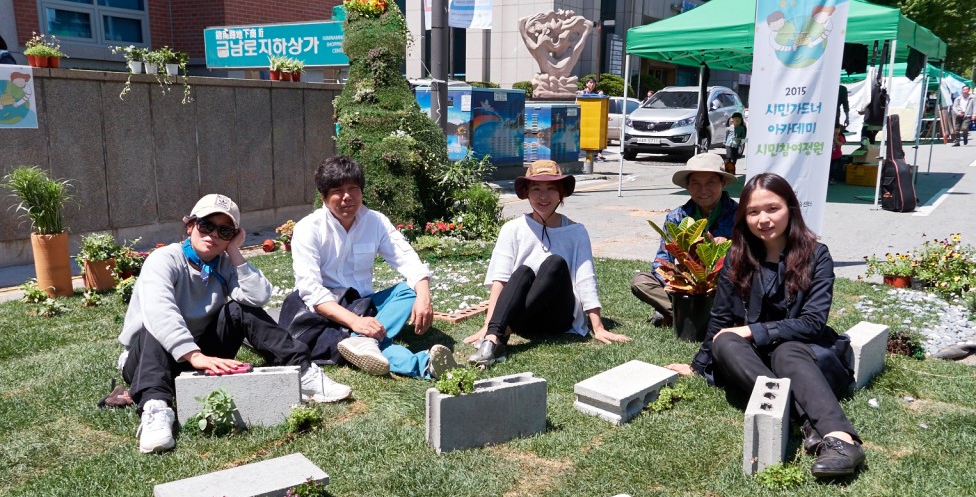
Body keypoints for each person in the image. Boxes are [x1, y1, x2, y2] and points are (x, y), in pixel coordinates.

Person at [667, 173, 865, 479]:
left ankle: (842, 439)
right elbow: (720, 316)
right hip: (754, 359)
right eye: (753, 212)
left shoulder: (816, 255)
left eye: (772, 209)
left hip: (805, 354)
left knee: (785, 352)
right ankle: (805, 417)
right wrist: (698, 365)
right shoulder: (738, 256)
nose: (763, 219)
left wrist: (753, 331)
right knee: (724, 340)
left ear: (791, 209)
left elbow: (812, 323)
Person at [119, 194, 351, 453]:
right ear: (190, 226)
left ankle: (304, 373)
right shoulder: (164, 259)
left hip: (200, 354)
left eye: (225, 231)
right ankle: (156, 407)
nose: (213, 235)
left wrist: (235, 253)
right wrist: (193, 355)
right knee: (154, 327)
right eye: (206, 225)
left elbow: (258, 297)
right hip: (146, 360)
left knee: (239, 309)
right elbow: (160, 311)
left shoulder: (224, 264)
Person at [284, 155, 457, 379]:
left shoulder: (375, 222)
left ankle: (360, 341)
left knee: (410, 290)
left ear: (361, 191)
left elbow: (408, 260)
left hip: (364, 306)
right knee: (372, 338)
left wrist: (424, 296)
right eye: (337, 190)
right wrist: (355, 322)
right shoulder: (309, 228)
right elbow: (311, 290)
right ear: (324, 197)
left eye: (353, 188)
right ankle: (423, 365)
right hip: (327, 313)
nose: (347, 197)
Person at [466, 160, 629, 364]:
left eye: (551, 189)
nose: (543, 196)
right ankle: (493, 338)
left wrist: (597, 326)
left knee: (555, 263)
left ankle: (499, 334)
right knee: (523, 271)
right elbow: (500, 279)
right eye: (536, 189)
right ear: (526, 192)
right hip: (524, 323)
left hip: (558, 318)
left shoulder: (576, 232)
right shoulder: (512, 229)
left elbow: (586, 279)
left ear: (561, 192)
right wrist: (488, 324)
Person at [631, 152, 738, 327]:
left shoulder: (739, 215)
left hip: (722, 288)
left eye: (710, 182)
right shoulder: (676, 217)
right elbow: (661, 261)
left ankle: (682, 314)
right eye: (696, 183)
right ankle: (694, 314)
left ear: (723, 183)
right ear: (687, 186)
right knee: (640, 281)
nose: (703, 190)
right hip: (684, 290)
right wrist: (679, 283)